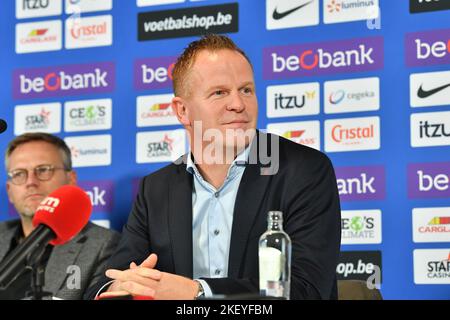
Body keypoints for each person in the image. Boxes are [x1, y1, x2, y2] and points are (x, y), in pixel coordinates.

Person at [87, 34, 341, 300]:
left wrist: (197, 292)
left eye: (246, 90)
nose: (238, 104)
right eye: (219, 92)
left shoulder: (303, 171)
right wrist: (123, 287)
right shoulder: (156, 190)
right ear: (182, 111)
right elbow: (110, 281)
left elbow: (306, 290)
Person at [0, 133, 120, 300]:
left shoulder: (102, 245)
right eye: (19, 174)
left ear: (71, 179)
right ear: (9, 190)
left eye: (43, 170)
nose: (31, 182)